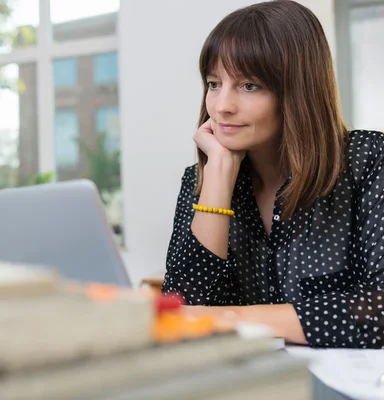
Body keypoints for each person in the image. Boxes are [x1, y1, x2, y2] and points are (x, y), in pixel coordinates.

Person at [161, 0, 384, 349]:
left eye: (249, 86)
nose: (222, 106)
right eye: (214, 83)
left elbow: (378, 311)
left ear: (297, 90)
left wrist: (230, 318)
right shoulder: (201, 181)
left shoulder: (368, 161)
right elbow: (180, 312)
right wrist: (219, 173)